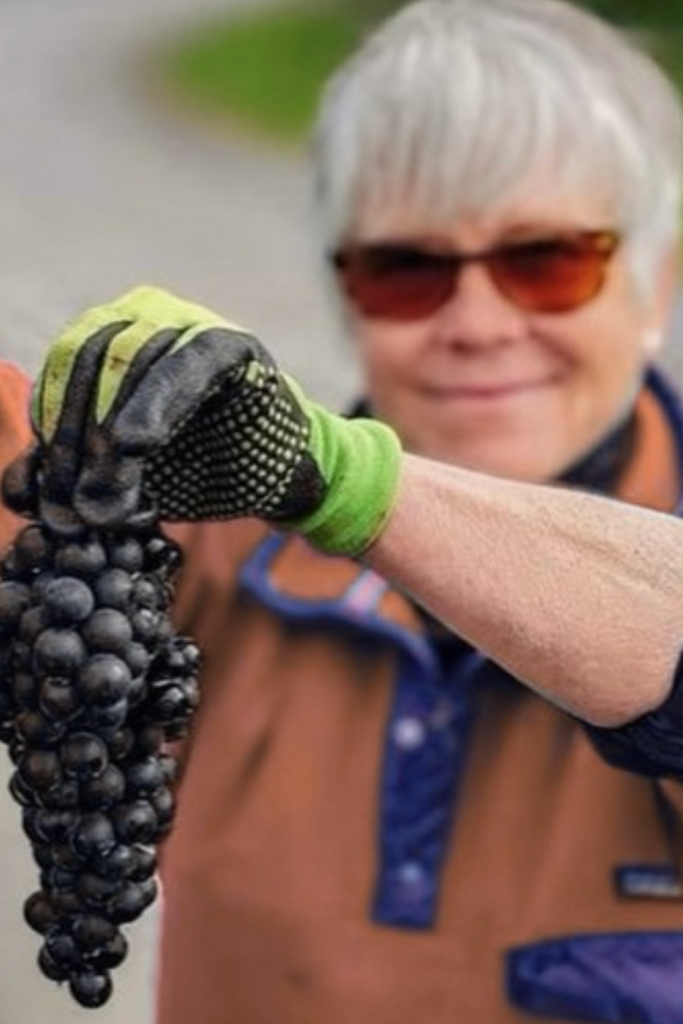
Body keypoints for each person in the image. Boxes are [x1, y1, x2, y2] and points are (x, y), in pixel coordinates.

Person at [8, 0, 683, 1022]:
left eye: (544, 261)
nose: (475, 322)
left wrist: (345, 483)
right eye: (405, 269)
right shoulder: (205, 551)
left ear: (654, 287)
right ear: (344, 289)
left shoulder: (304, 486)